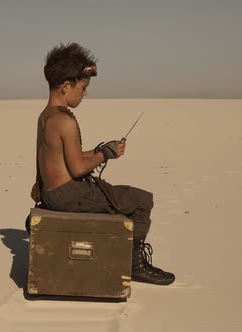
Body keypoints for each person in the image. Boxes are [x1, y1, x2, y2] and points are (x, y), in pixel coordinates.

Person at [30, 42, 174, 286]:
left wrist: (99, 151)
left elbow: (67, 158)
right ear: (66, 86)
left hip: (52, 193)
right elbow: (76, 169)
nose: (85, 93)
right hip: (69, 195)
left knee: (125, 197)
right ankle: (134, 264)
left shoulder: (47, 116)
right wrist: (104, 155)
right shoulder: (66, 122)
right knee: (141, 201)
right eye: (83, 87)